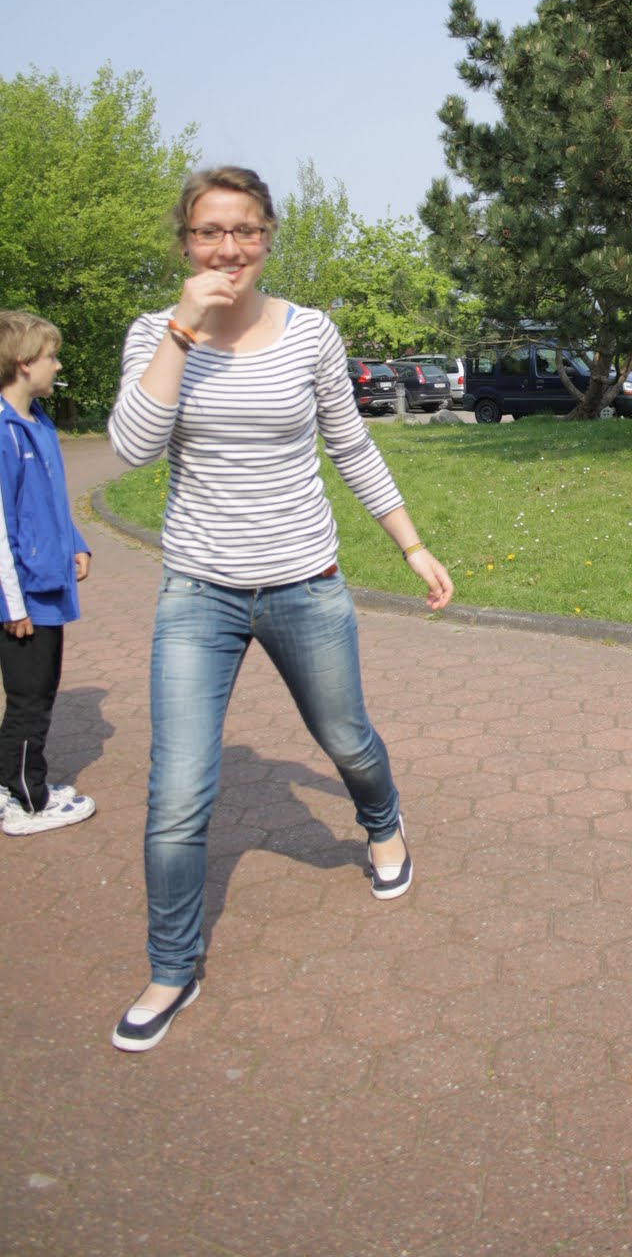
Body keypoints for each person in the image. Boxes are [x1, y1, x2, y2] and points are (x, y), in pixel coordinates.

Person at [108, 166, 453, 1052]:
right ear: (185, 243)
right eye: (209, 232)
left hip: (304, 583)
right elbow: (132, 449)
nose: (228, 249)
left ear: (267, 237)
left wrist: (411, 545)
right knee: (177, 792)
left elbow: (350, 444)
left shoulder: (309, 333)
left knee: (346, 740)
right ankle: (171, 967)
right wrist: (183, 329)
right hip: (198, 591)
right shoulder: (155, 332)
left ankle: (382, 823)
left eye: (246, 231)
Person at [0, 311, 95, 834]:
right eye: (50, 357)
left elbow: (48, 503)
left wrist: (75, 543)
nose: (57, 366)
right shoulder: (4, 432)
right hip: (23, 597)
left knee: (40, 690)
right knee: (30, 698)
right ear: (22, 363)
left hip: (43, 586)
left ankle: (16, 783)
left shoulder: (38, 422)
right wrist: (11, 604)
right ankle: (24, 800)